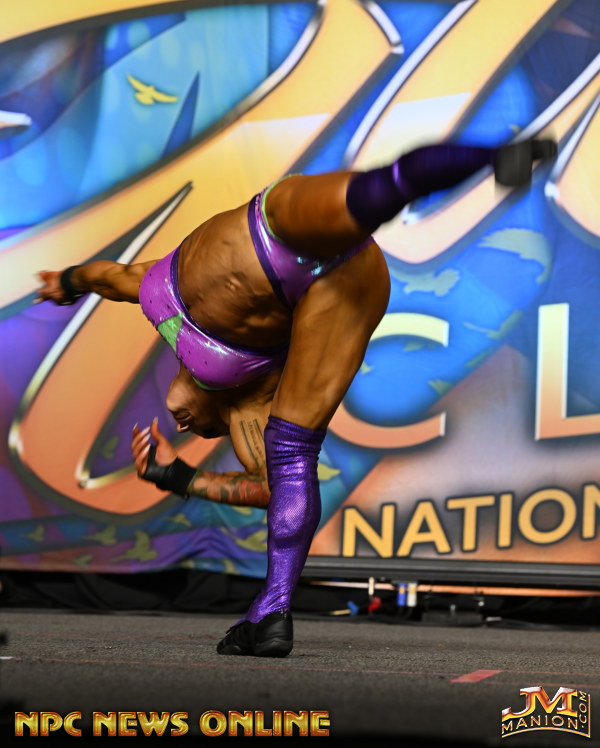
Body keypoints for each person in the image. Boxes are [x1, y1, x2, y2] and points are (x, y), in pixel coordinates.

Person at [34, 137, 556, 656]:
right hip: (343, 288)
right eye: (206, 431)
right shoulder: (248, 405)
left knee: (373, 195)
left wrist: (68, 281)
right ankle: (272, 610)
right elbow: (268, 488)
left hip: (272, 230)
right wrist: (179, 478)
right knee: (291, 454)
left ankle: (494, 157)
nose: (185, 426)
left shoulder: (156, 295)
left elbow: (109, 277)